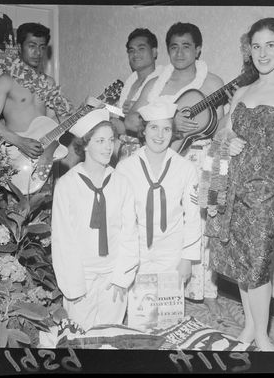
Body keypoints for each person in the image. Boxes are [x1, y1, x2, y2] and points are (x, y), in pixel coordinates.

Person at [203, 17, 274, 351]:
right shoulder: (242, 89)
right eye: (256, 46)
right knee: (240, 262)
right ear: (248, 50)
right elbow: (221, 132)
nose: (263, 53)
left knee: (258, 265)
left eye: (270, 45)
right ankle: (250, 328)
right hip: (230, 189)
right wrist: (228, 136)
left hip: (263, 193)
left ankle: (264, 337)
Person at [124, 22, 224, 309]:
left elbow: (221, 128)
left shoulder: (213, 83)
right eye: (174, 47)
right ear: (167, 51)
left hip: (199, 159)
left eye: (187, 46)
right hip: (161, 158)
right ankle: (154, 288)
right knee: (160, 218)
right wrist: (168, 124)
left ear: (198, 49)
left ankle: (203, 291)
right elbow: (132, 120)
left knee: (201, 221)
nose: (180, 52)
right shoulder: (158, 83)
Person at [51, 108, 139, 331]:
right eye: (100, 141)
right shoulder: (67, 185)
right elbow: (63, 240)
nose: (108, 147)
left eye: (111, 140)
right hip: (82, 277)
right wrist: (74, 287)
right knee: (78, 338)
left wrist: (122, 277)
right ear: (85, 144)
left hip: (113, 276)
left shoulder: (121, 183)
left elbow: (130, 232)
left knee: (110, 337)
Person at [115, 101, 201, 288]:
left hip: (172, 252)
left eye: (166, 129)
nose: (160, 135)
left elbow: (193, 217)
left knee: (167, 314)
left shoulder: (186, 168)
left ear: (173, 133)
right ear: (143, 130)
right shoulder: (125, 168)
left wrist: (187, 258)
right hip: (135, 251)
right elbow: (117, 218)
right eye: (154, 127)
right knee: (139, 313)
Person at [0, 22, 73, 160]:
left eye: (42, 47)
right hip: (15, 156)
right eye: (32, 46)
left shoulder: (48, 83)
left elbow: (51, 121)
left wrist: (78, 114)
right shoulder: (5, 81)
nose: (37, 53)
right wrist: (20, 141)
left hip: (44, 156)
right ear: (19, 47)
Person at [111, 28, 163, 161]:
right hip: (122, 149)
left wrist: (141, 110)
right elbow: (121, 119)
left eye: (141, 48)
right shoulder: (129, 83)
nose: (135, 54)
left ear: (154, 52)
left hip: (148, 151)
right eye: (131, 50)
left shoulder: (162, 81)